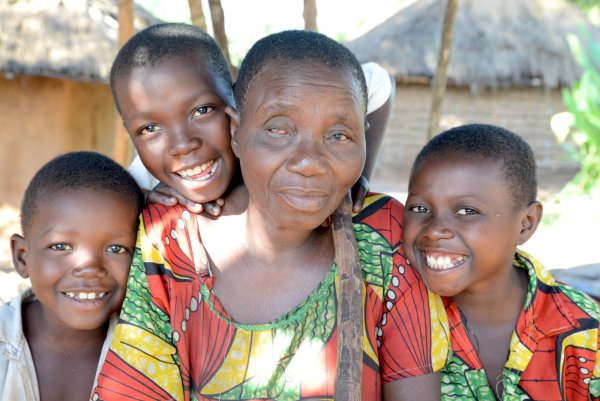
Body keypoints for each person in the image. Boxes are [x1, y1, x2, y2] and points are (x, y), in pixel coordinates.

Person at [93, 28, 449, 401]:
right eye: (279, 129)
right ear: (236, 129)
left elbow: (375, 84)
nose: (310, 163)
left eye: (340, 136)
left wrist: (357, 176)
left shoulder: (382, 236)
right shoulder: (166, 238)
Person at [402, 124, 600, 400]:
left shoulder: (586, 331)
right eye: (419, 209)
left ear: (525, 224)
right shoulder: (393, 315)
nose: (435, 229)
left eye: (467, 211)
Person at [126, 59, 396, 214]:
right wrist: (148, 196)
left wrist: (358, 174)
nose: (185, 145)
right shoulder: (166, 158)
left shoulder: (264, 108)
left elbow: (379, 83)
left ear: (234, 118)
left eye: (203, 111)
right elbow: (116, 194)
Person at [0, 151, 144, 401]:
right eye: (60, 246)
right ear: (23, 257)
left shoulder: (151, 354)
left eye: (116, 248)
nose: (89, 267)